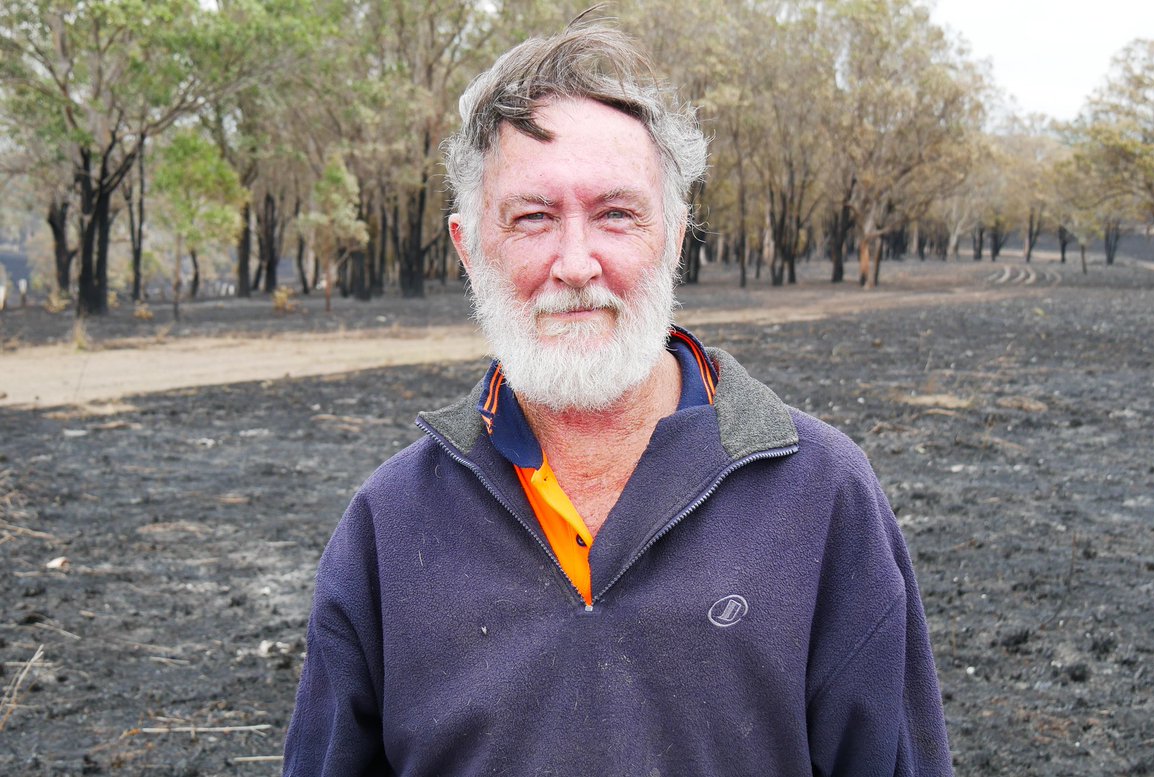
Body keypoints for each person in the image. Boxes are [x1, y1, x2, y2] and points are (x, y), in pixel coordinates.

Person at [283, 19, 953, 777]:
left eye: (616, 214)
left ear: (671, 236)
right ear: (470, 248)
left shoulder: (824, 499)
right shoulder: (389, 525)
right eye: (533, 217)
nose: (575, 263)